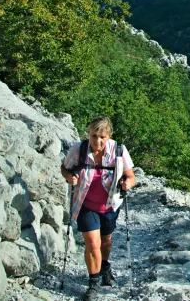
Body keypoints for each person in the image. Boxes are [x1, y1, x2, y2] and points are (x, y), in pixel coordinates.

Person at [61, 116, 136, 300]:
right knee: (92, 244)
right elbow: (65, 168)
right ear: (89, 133)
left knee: (105, 242)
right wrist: (69, 177)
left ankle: (104, 265)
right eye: (94, 136)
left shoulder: (119, 151)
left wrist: (128, 184)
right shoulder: (78, 150)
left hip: (110, 205)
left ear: (108, 135)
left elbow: (131, 176)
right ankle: (93, 284)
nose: (98, 141)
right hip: (86, 205)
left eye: (102, 136)